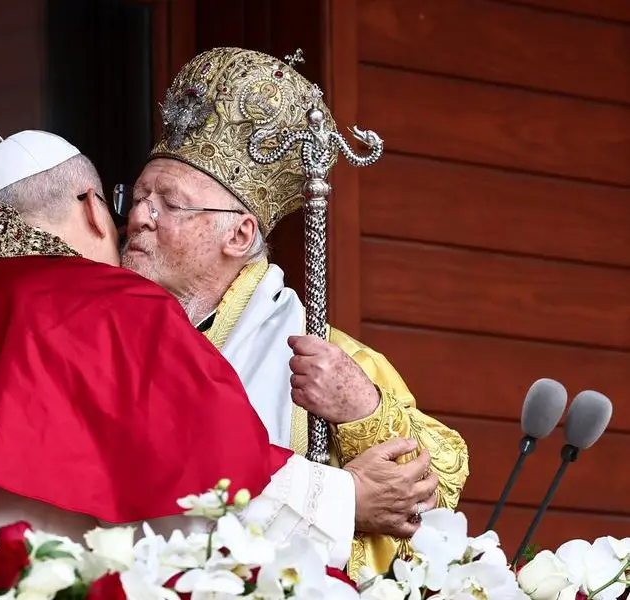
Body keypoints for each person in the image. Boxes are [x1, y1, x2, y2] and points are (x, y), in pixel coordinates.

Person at [0, 131, 435, 570]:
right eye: (131, 201)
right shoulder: (107, 306)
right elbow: (205, 467)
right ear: (87, 206)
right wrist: (344, 498)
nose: (136, 219)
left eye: (166, 203)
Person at [119, 47, 471, 576]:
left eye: (168, 202)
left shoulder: (334, 357)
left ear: (239, 234)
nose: (138, 218)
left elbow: (436, 488)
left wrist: (361, 411)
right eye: (139, 196)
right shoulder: (103, 331)